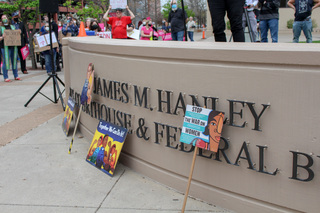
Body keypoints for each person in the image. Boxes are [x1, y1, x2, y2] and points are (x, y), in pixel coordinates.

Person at [0, 14, 21, 82]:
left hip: (13, 46)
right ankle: (6, 77)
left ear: (8, 18)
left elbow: (16, 35)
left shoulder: (12, 27)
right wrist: (2, 37)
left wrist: (18, 32)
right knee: (6, 61)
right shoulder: (0, 28)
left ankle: (16, 75)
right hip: (5, 47)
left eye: (5, 17)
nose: (4, 19)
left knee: (14, 61)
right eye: (3, 18)